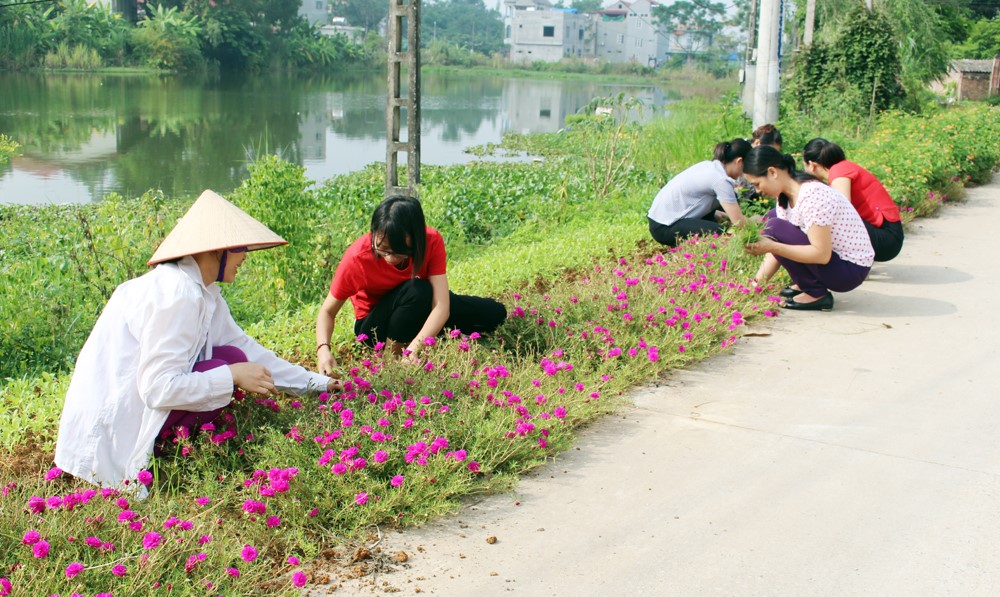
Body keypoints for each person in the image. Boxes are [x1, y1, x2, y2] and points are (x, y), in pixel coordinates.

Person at [55, 190, 341, 491]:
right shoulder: (178, 295)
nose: (244, 257)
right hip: (110, 434)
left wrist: (315, 384)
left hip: (127, 412)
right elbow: (157, 388)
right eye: (239, 248)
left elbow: (247, 350)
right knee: (227, 364)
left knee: (232, 355)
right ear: (215, 250)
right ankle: (162, 457)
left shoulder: (201, 293)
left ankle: (173, 447)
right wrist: (231, 375)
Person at [316, 196, 506, 371]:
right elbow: (327, 311)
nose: (390, 258)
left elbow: (441, 305)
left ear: (417, 240)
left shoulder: (431, 241)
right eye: (382, 250)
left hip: (417, 307)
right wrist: (323, 349)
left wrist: (415, 348)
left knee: (494, 313)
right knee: (418, 289)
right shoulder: (357, 257)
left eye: (399, 252)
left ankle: (417, 342)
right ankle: (393, 358)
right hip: (374, 327)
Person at [743, 147, 874, 312]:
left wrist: (771, 246)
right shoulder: (786, 196)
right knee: (772, 222)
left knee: (774, 226)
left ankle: (816, 294)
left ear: (772, 172)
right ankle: (809, 285)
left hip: (850, 269)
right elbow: (777, 246)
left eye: (757, 184)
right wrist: (756, 285)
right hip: (836, 262)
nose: (758, 191)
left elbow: (821, 254)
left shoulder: (813, 195)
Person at [802, 138, 903, 262]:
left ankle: (846, 266)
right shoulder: (842, 167)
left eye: (804, 166)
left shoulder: (839, 171)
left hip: (888, 239)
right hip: (887, 235)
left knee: (824, 222)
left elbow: (841, 211)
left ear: (812, 165)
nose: (804, 171)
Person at [647, 138, 752, 247]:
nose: (743, 175)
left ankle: (712, 220)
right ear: (739, 162)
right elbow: (739, 223)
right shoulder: (720, 180)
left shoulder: (710, 165)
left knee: (731, 196)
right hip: (665, 226)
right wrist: (755, 221)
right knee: (719, 233)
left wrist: (721, 215)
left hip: (660, 218)